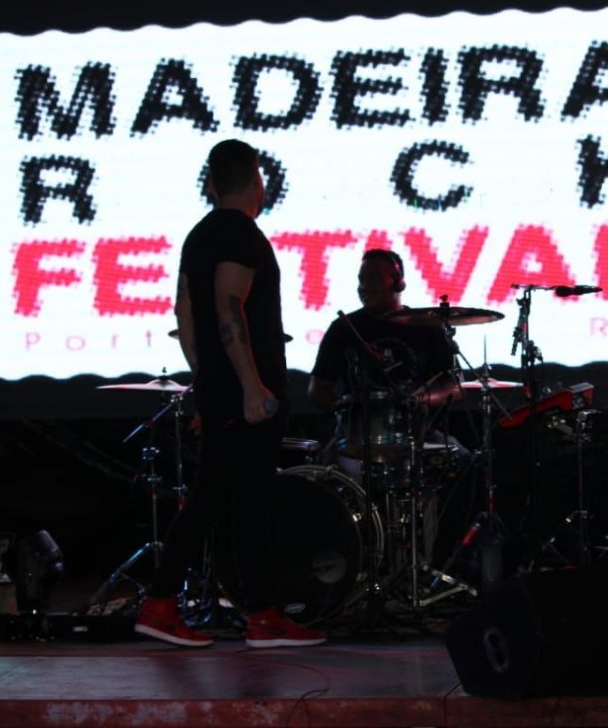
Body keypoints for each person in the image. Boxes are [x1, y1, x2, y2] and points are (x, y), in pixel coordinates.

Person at [133, 139, 324, 649]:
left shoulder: (200, 235)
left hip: (223, 390)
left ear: (213, 183)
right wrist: (250, 386)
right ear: (258, 181)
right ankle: (226, 611)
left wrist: (209, 382)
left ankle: (245, 611)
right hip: (246, 393)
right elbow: (228, 306)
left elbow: (184, 314)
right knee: (236, 501)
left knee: (227, 500)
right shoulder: (241, 234)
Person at [307, 249, 464, 478]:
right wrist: (349, 414)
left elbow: (455, 387)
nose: (364, 287)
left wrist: (420, 400)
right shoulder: (343, 328)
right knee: (323, 475)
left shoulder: (427, 326)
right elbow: (316, 389)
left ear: (399, 283)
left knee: (466, 463)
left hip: (418, 433)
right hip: (356, 436)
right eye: (361, 279)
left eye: (374, 278)